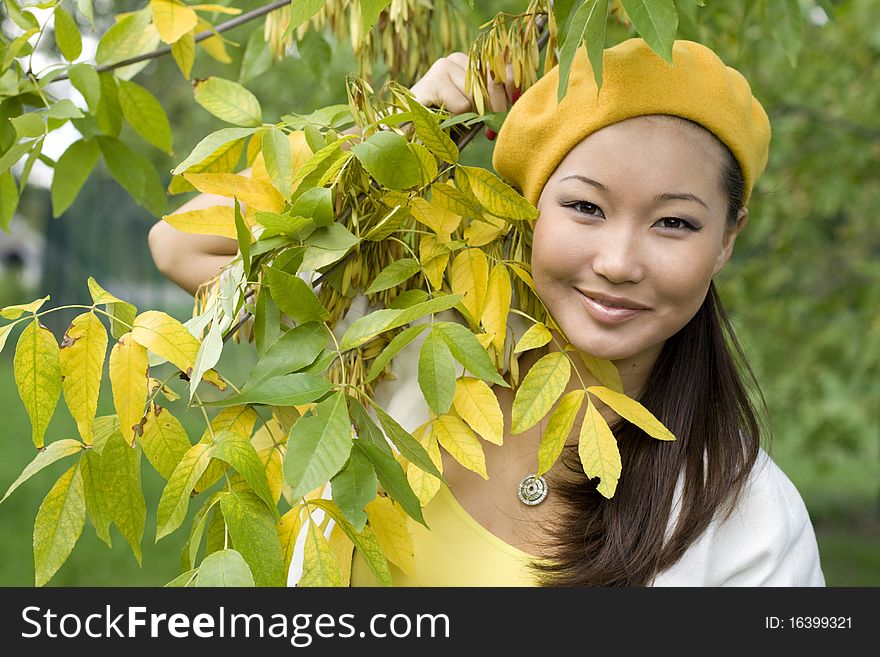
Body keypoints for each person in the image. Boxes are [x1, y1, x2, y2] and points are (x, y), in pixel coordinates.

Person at [149, 38, 825, 587]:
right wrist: (395, 134)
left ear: (728, 238)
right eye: (586, 207)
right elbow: (181, 245)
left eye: (674, 222)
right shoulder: (404, 341)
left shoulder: (754, 526)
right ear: (526, 209)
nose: (620, 260)